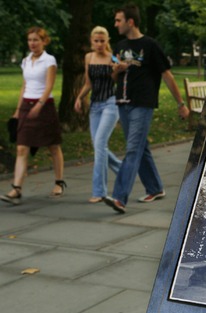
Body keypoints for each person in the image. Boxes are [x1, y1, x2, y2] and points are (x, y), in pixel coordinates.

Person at [104, 3, 189, 214]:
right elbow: (112, 76)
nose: (115, 24)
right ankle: (155, 188)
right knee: (140, 148)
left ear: (130, 22)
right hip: (122, 103)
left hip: (143, 104)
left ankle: (119, 198)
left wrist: (180, 104)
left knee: (132, 149)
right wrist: (117, 70)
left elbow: (167, 75)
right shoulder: (119, 46)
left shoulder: (150, 45)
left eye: (118, 20)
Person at [1, 27, 65, 205]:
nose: (32, 43)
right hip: (26, 106)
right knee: (22, 148)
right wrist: (18, 109)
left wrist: (40, 104)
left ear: (44, 41)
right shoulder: (26, 60)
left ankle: (59, 182)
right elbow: (24, 85)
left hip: (44, 106)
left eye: (36, 40)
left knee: (53, 145)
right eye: (30, 40)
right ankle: (16, 189)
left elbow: (49, 85)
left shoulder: (49, 60)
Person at [75, 26, 122, 203]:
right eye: (96, 41)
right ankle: (124, 170)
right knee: (98, 146)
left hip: (111, 103)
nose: (99, 44)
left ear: (107, 41)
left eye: (103, 41)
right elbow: (88, 83)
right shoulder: (89, 57)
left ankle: (99, 192)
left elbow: (117, 81)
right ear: (92, 42)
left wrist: (116, 71)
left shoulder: (113, 58)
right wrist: (79, 98)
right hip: (95, 105)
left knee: (100, 144)